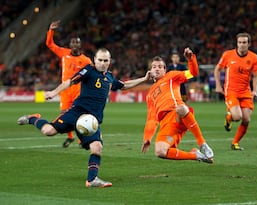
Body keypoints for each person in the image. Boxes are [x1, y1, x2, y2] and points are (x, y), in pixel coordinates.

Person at [17, 48, 151, 187]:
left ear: (109, 61)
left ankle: (92, 180)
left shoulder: (109, 77)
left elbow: (124, 85)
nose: (103, 63)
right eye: (100, 60)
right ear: (94, 60)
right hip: (76, 112)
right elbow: (70, 82)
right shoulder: (88, 70)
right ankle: (33, 118)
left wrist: (145, 78)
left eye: (106, 60)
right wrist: (54, 92)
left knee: (97, 147)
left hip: (91, 120)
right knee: (48, 131)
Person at [141, 47, 214, 163]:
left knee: (180, 107)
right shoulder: (149, 95)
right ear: (150, 71)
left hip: (178, 115)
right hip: (167, 125)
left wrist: (191, 59)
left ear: (165, 70)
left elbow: (193, 73)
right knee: (160, 151)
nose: (157, 69)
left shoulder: (171, 76)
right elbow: (151, 118)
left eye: (160, 67)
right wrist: (147, 138)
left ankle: (202, 143)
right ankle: (195, 155)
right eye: (154, 67)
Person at [46, 20, 92, 148]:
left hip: (78, 90)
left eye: (77, 42)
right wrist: (51, 30)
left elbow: (93, 74)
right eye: (73, 42)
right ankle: (70, 137)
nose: (75, 44)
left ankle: (81, 140)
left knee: (79, 115)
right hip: (65, 90)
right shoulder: (64, 53)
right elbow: (49, 44)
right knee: (63, 114)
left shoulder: (86, 60)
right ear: (70, 45)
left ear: (80, 45)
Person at [214, 32, 257, 150]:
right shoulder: (228, 55)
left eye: (244, 42)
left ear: (248, 44)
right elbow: (217, 69)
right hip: (231, 91)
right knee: (237, 116)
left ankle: (235, 143)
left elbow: (255, 76)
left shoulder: (254, 57)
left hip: (245, 92)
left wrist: (255, 90)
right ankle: (229, 117)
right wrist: (218, 86)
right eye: (239, 42)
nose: (241, 45)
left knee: (246, 119)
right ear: (237, 43)